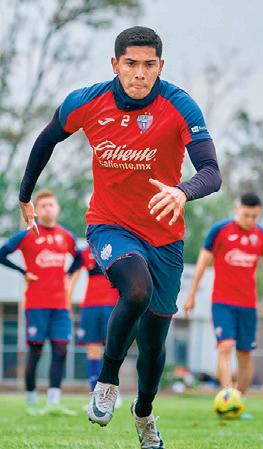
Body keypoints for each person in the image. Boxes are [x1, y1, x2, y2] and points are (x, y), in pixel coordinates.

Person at [17, 26, 221, 448]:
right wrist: (25, 195)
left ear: (161, 66)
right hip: (110, 224)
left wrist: (182, 191)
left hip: (165, 237)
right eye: (130, 64)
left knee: (154, 346)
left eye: (149, 64)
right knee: (136, 289)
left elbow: (211, 172)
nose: (139, 73)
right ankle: (107, 381)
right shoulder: (87, 101)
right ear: (115, 64)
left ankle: (143, 413)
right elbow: (46, 138)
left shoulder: (180, 105)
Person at [184, 193, 263, 417]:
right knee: (225, 346)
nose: (249, 220)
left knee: (245, 354)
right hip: (222, 302)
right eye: (246, 215)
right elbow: (202, 263)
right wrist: (191, 294)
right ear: (237, 208)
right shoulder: (219, 230)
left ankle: (240, 400)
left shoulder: (262, 236)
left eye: (254, 216)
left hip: (248, 305)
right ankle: (227, 396)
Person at [0, 190, 80, 416]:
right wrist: (22, 272)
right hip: (36, 304)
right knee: (35, 351)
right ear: (36, 210)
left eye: (50, 205)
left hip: (60, 306)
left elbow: (79, 258)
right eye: (42, 206)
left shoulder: (66, 236)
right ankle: (31, 401)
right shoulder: (26, 234)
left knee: (61, 349)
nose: (47, 209)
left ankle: (54, 402)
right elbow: (2, 254)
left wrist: (68, 275)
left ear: (57, 208)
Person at [69, 244, 121, 408]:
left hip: (113, 305)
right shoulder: (85, 252)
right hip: (90, 307)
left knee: (113, 349)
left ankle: (112, 392)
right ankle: (95, 396)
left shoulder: (118, 246)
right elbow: (72, 275)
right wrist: (67, 301)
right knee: (92, 350)